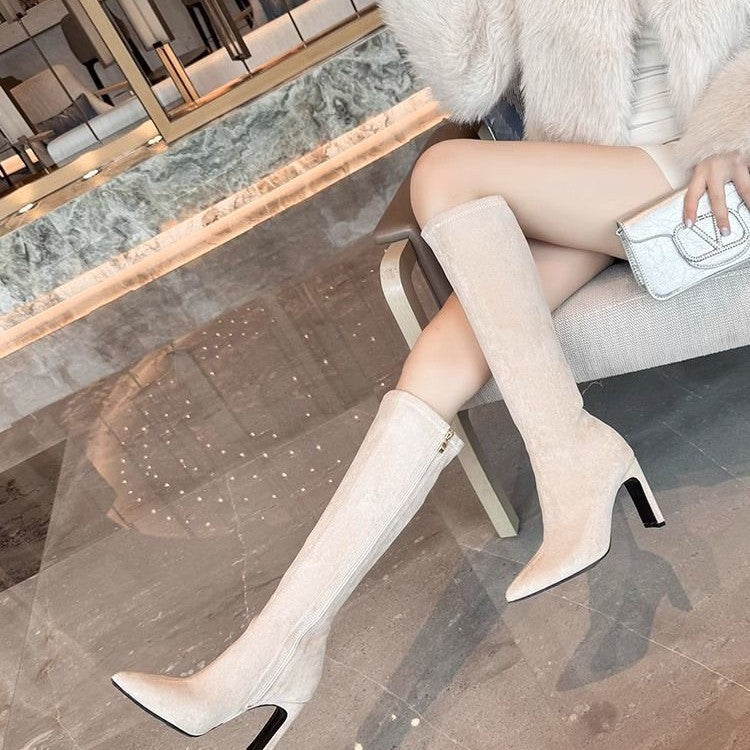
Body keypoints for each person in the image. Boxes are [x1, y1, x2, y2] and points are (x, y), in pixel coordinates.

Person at [111, 1, 750, 747]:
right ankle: (271, 655)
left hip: (708, 169)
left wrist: (729, 137)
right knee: (436, 363)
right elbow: (470, 82)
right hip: (583, 180)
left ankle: (571, 452)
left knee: (446, 171)